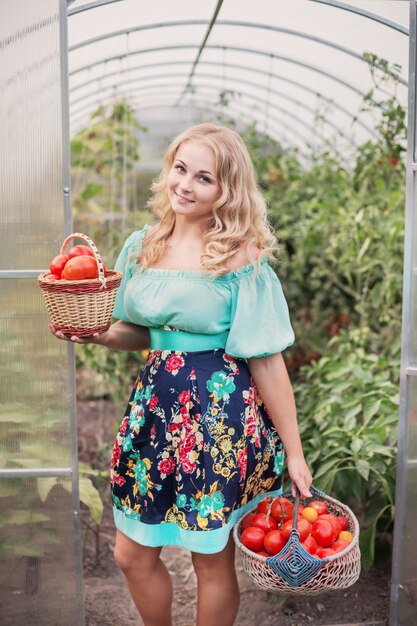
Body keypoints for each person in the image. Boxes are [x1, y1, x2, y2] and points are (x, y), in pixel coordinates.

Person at [50, 123, 312, 626]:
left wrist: (294, 453)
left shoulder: (240, 256)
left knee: (209, 557)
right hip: (154, 411)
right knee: (132, 554)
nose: (185, 185)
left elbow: (267, 360)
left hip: (218, 418)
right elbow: (141, 331)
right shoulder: (142, 245)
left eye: (204, 177)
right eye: (180, 168)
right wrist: (101, 334)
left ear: (226, 190)